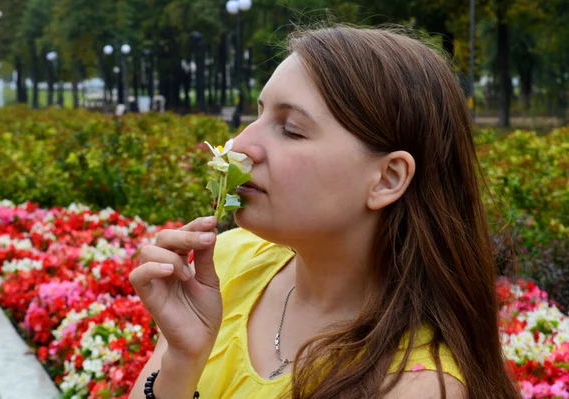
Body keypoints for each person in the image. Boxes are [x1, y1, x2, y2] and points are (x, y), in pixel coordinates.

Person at [128, 25, 522, 399]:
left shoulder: (412, 386)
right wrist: (183, 360)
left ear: (387, 179)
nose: (239, 145)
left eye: (292, 129)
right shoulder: (225, 265)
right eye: (258, 113)